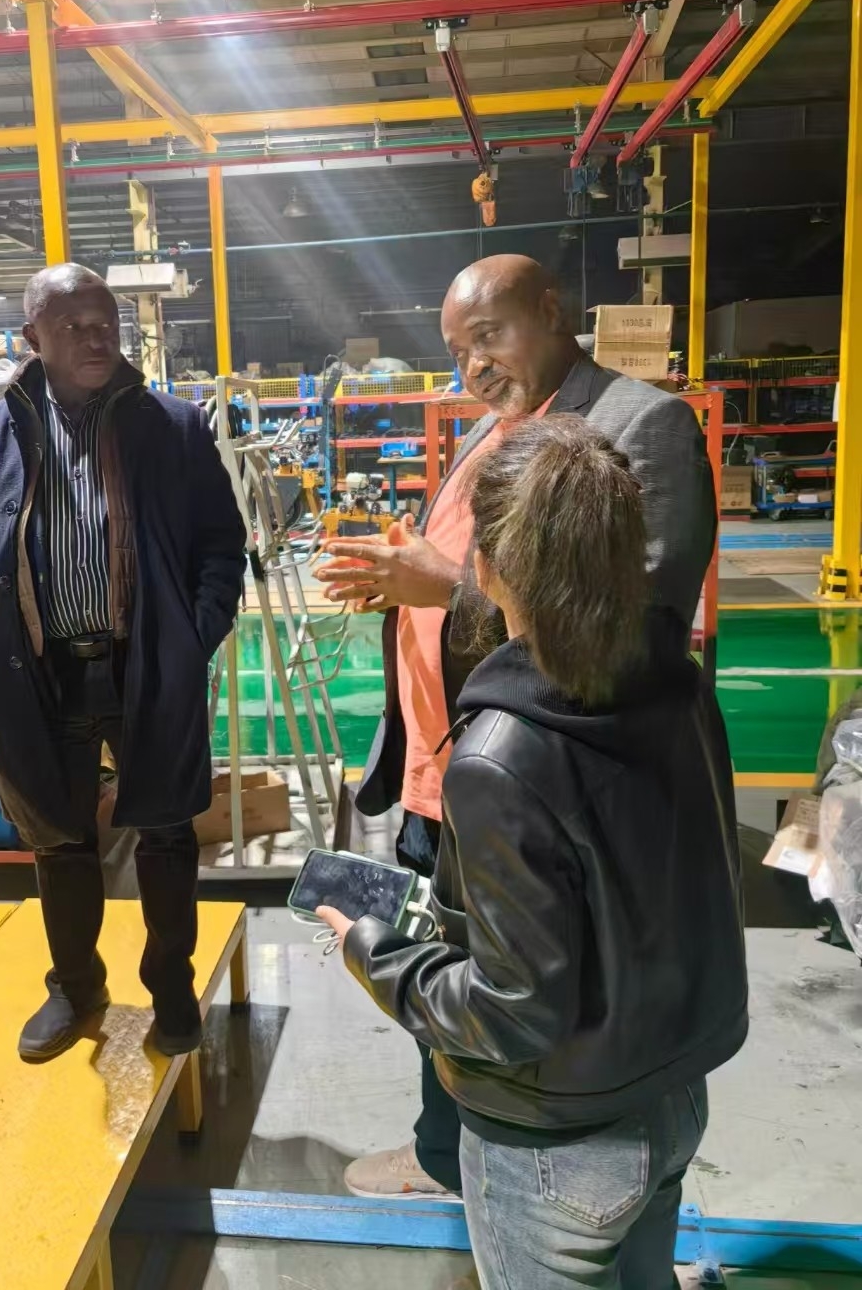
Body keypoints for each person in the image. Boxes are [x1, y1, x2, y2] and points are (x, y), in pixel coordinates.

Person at [315, 253, 718, 1198]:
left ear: (551, 310)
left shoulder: (639, 425)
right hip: (447, 770)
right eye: (459, 351)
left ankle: (511, 1176)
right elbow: (475, 569)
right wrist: (402, 581)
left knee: (512, 987)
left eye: (488, 336)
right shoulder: (493, 432)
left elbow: (639, 622)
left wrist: (443, 589)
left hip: (532, 781)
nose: (474, 367)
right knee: (444, 953)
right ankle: (444, 1150)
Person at [0, 264, 246, 1062]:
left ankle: (171, 983)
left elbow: (220, 543)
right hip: (38, 674)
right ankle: (75, 986)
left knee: (168, 831)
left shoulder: (172, 428)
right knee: (57, 838)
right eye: (73, 327)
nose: (97, 340)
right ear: (32, 338)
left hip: (148, 667)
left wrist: (191, 635)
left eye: (106, 324)